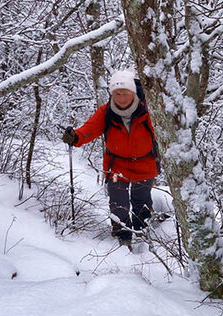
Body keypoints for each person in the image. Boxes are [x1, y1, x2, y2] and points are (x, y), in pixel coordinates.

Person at [63, 69, 159, 248]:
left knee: (141, 200)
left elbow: (163, 133)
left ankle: (143, 232)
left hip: (145, 163)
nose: (121, 98)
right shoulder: (106, 112)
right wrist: (75, 137)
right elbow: (90, 129)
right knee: (118, 202)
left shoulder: (148, 110)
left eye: (125, 93)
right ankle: (123, 236)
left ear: (133, 92)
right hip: (117, 165)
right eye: (117, 93)